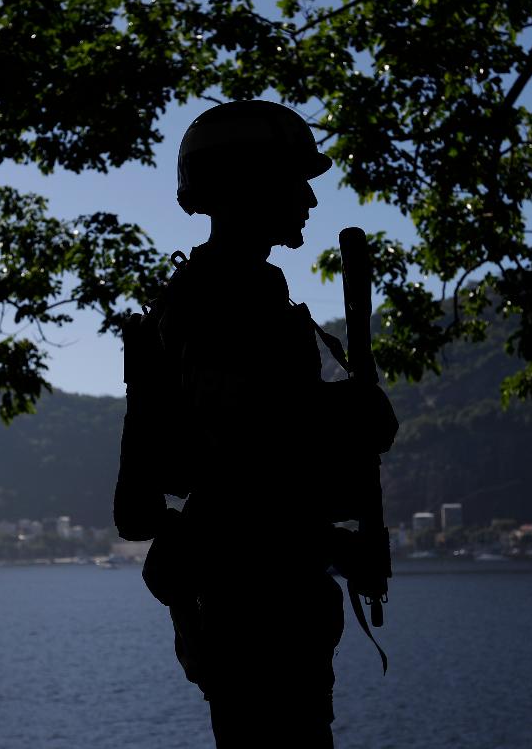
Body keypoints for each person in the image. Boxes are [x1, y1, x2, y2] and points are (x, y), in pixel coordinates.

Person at [114, 99, 398, 747]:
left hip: (253, 603)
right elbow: (248, 458)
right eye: (293, 181)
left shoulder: (232, 296)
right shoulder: (219, 302)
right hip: (254, 614)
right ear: (245, 185)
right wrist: (348, 416)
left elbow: (238, 473)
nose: (308, 200)